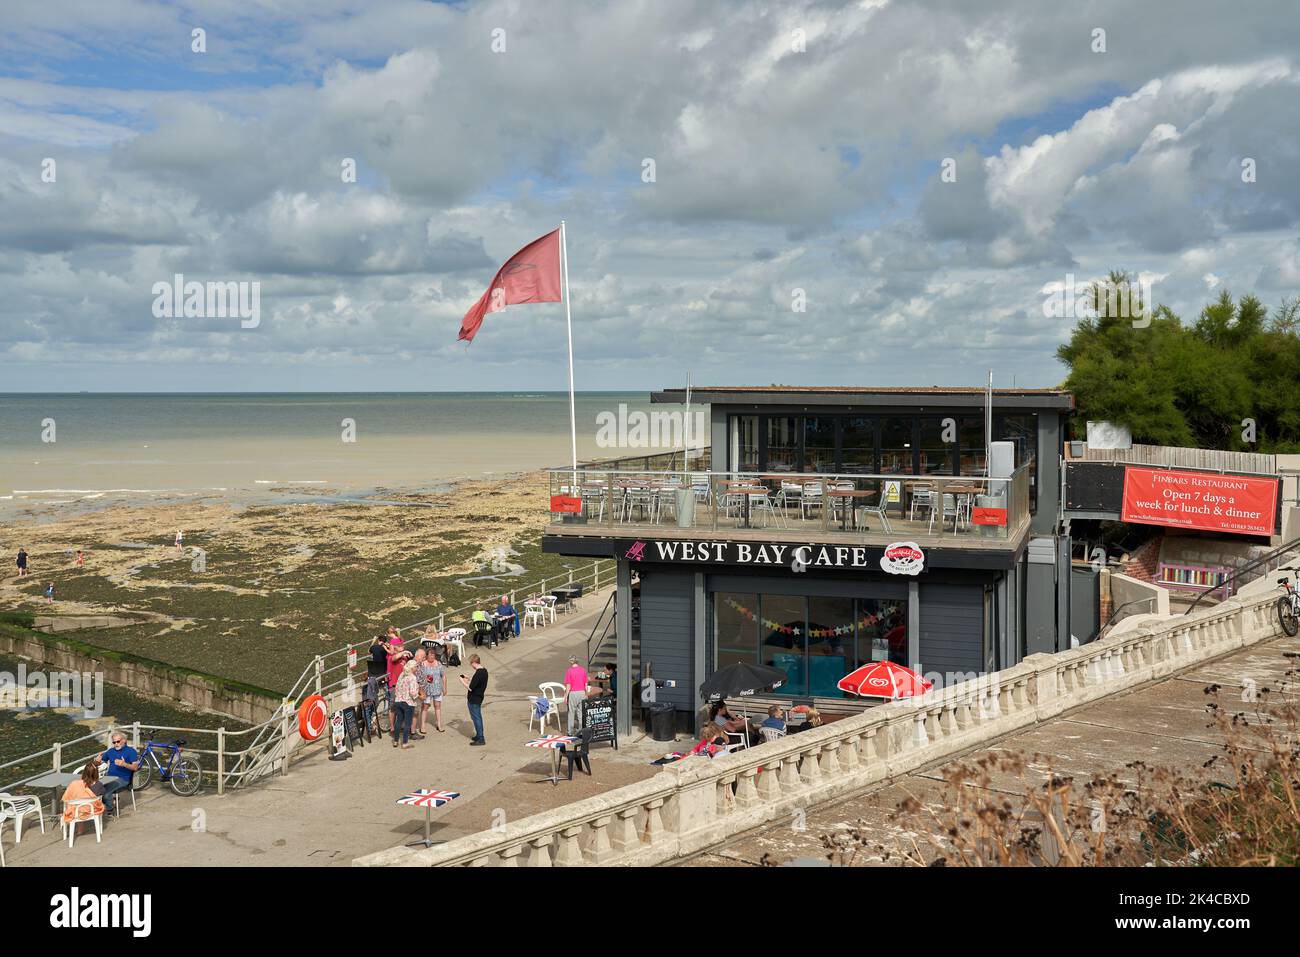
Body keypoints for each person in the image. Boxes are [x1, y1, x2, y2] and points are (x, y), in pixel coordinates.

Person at [100, 729, 141, 814]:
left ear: (124, 740)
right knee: (95, 789)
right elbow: (102, 760)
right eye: (114, 742)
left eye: (118, 741)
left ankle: (110, 809)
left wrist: (124, 764)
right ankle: (112, 801)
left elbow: (135, 767)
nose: (116, 744)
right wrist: (97, 761)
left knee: (106, 793)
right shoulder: (111, 751)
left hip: (122, 779)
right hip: (108, 778)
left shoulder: (131, 751)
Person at [61, 763, 105, 834]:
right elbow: (102, 794)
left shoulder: (75, 784)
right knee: (96, 802)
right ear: (96, 774)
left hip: (76, 810)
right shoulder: (98, 785)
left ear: (84, 773)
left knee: (76, 801)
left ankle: (80, 829)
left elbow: (66, 797)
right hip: (91, 810)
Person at [458, 654, 488, 745]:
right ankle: (479, 736)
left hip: (474, 699)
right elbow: (477, 682)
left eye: (471, 664)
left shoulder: (478, 673)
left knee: (476, 718)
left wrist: (462, 681)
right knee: (476, 717)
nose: (471, 666)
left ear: (474, 662)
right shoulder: (484, 671)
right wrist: (469, 678)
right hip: (479, 697)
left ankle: (481, 738)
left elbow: (470, 688)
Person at [391, 660, 420, 749]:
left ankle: (395, 741)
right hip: (408, 702)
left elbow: (397, 687)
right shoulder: (412, 677)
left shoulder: (401, 675)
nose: (417, 668)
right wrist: (418, 696)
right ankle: (405, 743)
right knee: (408, 723)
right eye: (416, 667)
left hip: (398, 700)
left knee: (398, 721)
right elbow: (412, 692)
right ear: (412, 668)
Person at [417, 645, 447, 734]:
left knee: (437, 706)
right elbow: (419, 676)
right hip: (426, 689)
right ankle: (422, 725)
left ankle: (439, 724)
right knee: (425, 706)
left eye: (433, 655)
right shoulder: (423, 664)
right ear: (426, 656)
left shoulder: (438, 664)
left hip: (437, 688)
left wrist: (445, 688)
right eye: (430, 655)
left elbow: (444, 676)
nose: (432, 657)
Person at [563, 655, 589, 734]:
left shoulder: (569, 671)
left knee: (571, 713)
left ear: (571, 661)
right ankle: (581, 731)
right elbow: (586, 684)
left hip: (573, 693)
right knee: (580, 712)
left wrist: (566, 696)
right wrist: (586, 694)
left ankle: (570, 731)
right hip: (582, 693)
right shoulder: (583, 670)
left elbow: (568, 685)